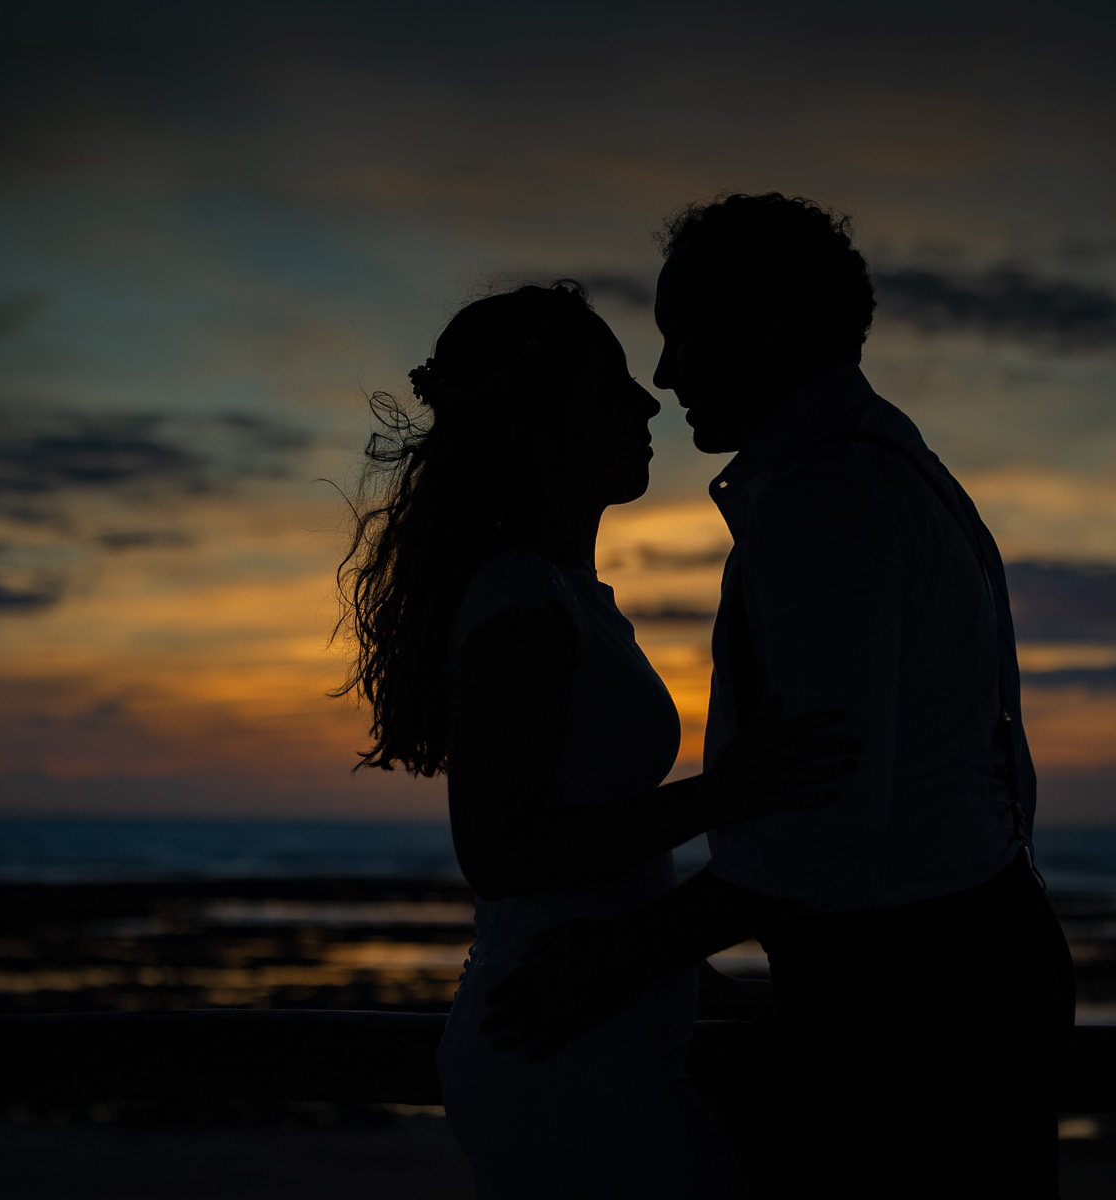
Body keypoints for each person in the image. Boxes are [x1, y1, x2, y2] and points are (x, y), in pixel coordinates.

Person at [480, 197, 1077, 1198]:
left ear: (768, 323)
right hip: (961, 959)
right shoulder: (893, 467)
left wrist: (626, 955)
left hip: (907, 994)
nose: (664, 377)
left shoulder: (822, 501)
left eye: (681, 333)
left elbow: (825, 817)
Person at [334, 279, 859, 1199]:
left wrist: (712, 987)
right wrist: (722, 795)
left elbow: (604, 874)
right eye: (610, 384)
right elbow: (499, 854)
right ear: (541, 424)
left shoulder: (566, 599)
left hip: (598, 1028)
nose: (647, 402)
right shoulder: (523, 604)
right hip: (556, 1047)